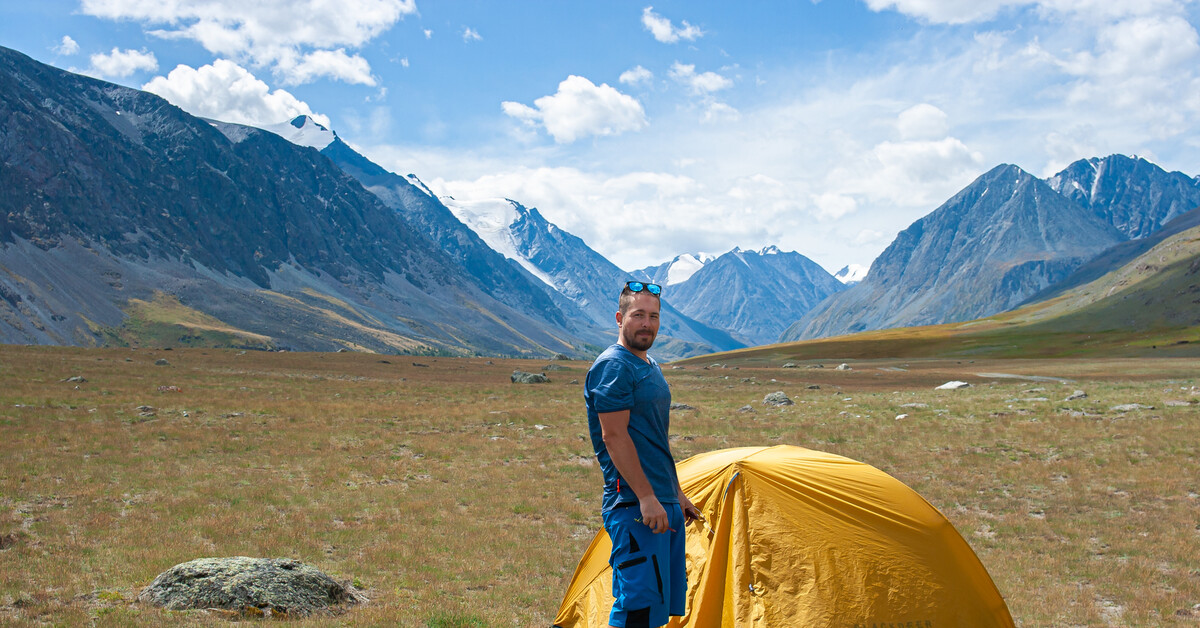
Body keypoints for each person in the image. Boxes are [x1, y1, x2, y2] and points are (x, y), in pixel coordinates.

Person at [584, 281, 703, 628]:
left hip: (660, 501)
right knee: (637, 606)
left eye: (653, 316)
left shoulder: (649, 364)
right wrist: (647, 497)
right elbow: (614, 436)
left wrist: (674, 494)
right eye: (638, 315)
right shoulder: (614, 366)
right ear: (620, 318)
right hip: (634, 505)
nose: (646, 323)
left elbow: (654, 439)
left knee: (655, 608)